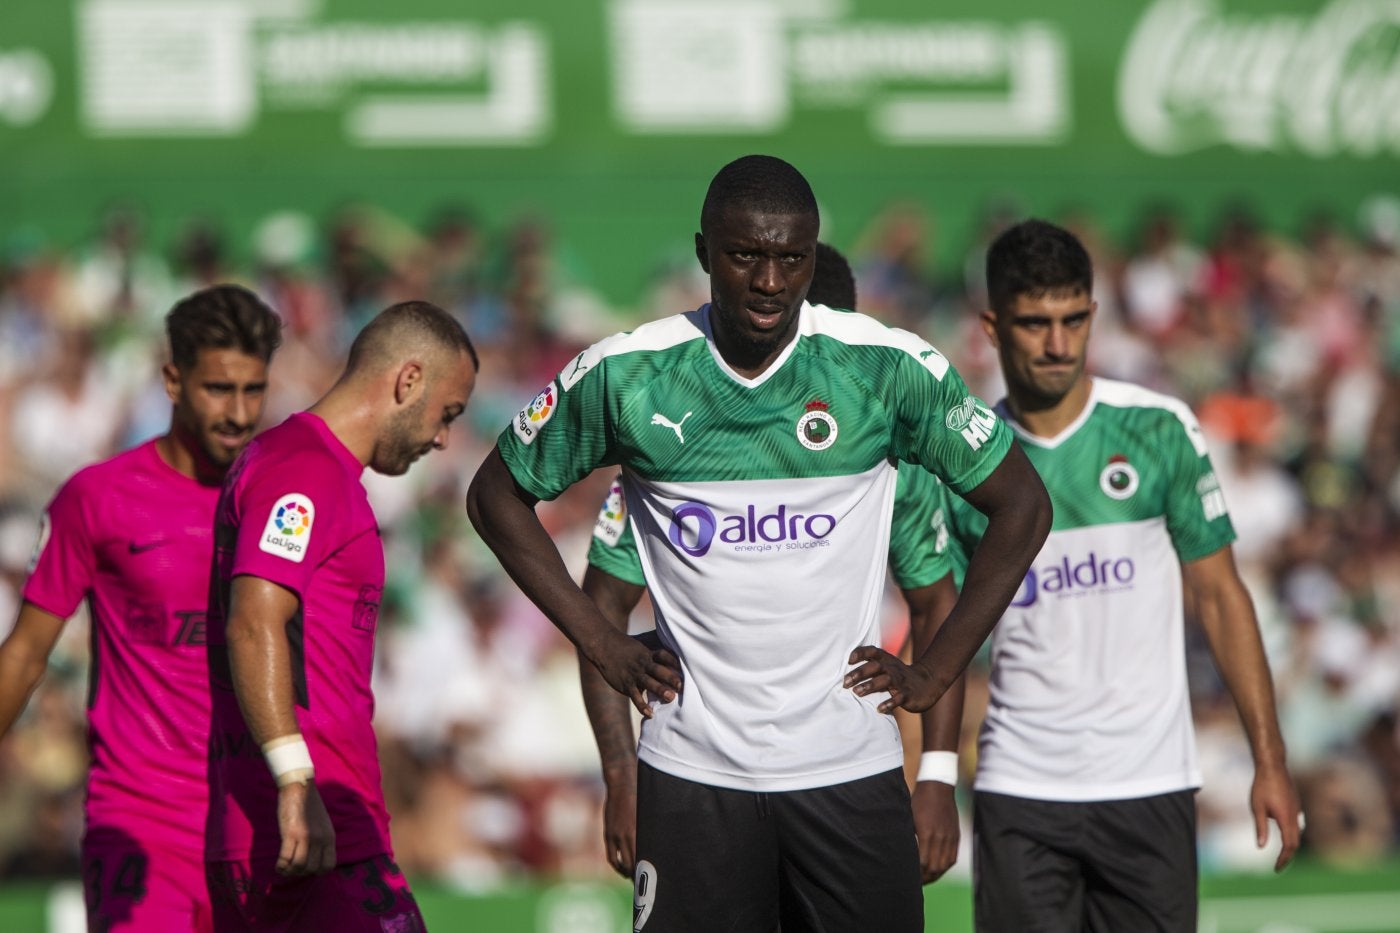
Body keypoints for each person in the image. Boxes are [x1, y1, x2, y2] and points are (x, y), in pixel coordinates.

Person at [467, 154, 1051, 932]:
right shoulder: (628, 377)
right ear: (706, 253)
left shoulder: (886, 368)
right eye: (746, 256)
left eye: (792, 258)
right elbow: (494, 496)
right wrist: (602, 643)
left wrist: (937, 675)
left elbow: (1022, 506)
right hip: (691, 776)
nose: (771, 281)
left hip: (849, 771)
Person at [926, 218, 1301, 931]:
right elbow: (934, 624)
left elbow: (1221, 597)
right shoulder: (967, 463)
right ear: (993, 325)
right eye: (1035, 323)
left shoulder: (1159, 429)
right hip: (1020, 786)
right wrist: (933, 777)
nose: (1059, 343)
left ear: (1095, 314)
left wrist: (1271, 759)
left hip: (1150, 785)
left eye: (1074, 319)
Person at [578, 242, 966, 883]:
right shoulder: (671, 464)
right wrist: (622, 777)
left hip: (841, 778)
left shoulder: (891, 458)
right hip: (703, 777)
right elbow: (602, 607)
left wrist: (938, 774)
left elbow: (934, 600)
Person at [0, 284, 282, 932]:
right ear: (172, 379)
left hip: (254, 825)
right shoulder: (96, 498)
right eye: (219, 388)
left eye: (254, 390)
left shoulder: (283, 506)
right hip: (139, 821)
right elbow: (25, 651)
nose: (239, 413)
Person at [204, 300, 477, 932]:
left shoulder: (301, 466)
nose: (441, 438)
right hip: (310, 823)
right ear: (409, 381)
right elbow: (253, 622)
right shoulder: (303, 472)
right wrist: (297, 781)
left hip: (295, 820)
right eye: (446, 414)